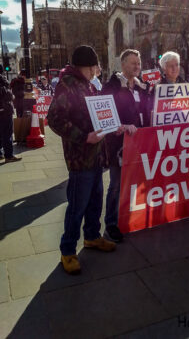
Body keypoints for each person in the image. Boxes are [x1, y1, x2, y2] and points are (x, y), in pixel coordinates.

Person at [47, 45, 116, 275]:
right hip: (80, 159)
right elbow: (54, 119)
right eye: (93, 66)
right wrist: (83, 136)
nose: (96, 70)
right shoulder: (67, 85)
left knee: (95, 201)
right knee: (77, 206)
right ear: (84, 66)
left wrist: (109, 123)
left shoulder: (86, 84)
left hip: (95, 157)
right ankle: (68, 250)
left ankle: (92, 237)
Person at [101, 49, 150, 242]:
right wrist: (119, 126)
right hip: (118, 146)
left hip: (138, 145)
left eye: (138, 63)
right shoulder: (112, 86)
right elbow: (104, 114)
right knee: (115, 186)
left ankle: (127, 219)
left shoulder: (142, 87)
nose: (137, 66)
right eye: (133, 63)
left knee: (133, 185)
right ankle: (111, 225)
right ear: (122, 65)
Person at [0, 65, 22, 163]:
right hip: (5, 110)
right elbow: (6, 95)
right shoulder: (2, 80)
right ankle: (8, 155)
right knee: (7, 133)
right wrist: (11, 95)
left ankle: (0, 154)